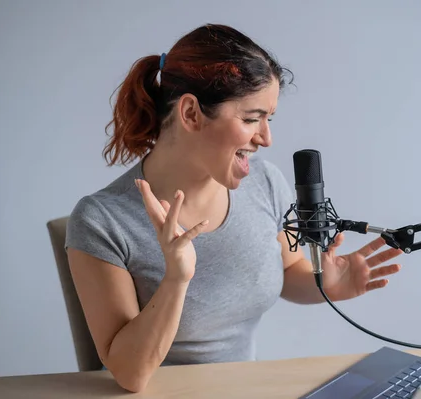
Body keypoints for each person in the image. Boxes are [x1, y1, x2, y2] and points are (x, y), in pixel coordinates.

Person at [65, 23, 403, 393]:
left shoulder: (264, 182)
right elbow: (130, 374)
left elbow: (287, 271)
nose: (266, 137)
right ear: (191, 113)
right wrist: (176, 279)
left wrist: (326, 285)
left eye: (268, 118)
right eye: (250, 118)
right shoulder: (102, 221)